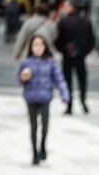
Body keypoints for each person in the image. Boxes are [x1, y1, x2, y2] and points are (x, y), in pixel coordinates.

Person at [16, 35, 70, 165]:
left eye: (41, 44)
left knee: (45, 125)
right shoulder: (26, 62)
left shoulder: (50, 62)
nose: (38, 47)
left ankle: (43, 146)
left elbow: (59, 79)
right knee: (33, 126)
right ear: (31, 47)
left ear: (45, 46)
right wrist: (23, 78)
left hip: (45, 97)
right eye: (35, 45)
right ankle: (35, 152)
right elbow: (18, 80)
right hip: (31, 97)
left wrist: (65, 95)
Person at [55, 0, 95, 114]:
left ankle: (69, 105)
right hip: (81, 56)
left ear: (71, 7)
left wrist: (63, 50)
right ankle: (83, 100)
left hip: (67, 56)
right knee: (82, 79)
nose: (64, 9)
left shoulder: (63, 22)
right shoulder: (86, 21)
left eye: (66, 6)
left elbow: (58, 40)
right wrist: (84, 52)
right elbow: (91, 40)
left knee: (68, 81)